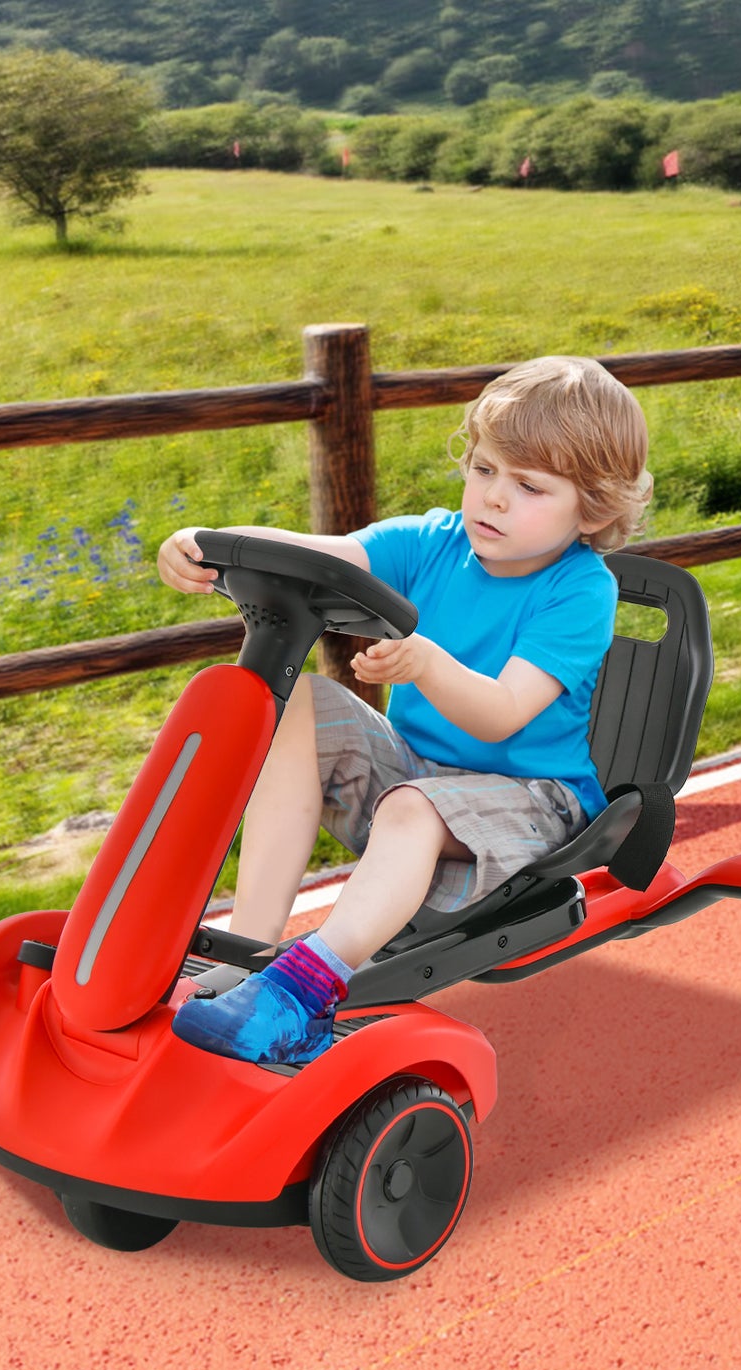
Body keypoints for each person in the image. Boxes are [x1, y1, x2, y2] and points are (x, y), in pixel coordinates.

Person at [156, 355, 652, 1065]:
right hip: (417, 774)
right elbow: (330, 553)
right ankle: (252, 949)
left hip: (531, 803)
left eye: (528, 485)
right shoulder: (433, 542)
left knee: (413, 808)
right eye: (483, 470)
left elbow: (503, 712)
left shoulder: (579, 590)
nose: (494, 499)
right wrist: (205, 542)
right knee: (289, 700)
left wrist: (426, 662)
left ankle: (302, 994)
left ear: (593, 508)